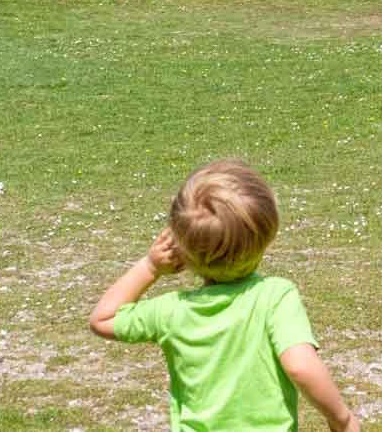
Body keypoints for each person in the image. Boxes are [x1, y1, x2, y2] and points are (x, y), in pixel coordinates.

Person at [89, 160, 361, 432]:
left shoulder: (171, 310)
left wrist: (150, 267)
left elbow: (103, 319)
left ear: (181, 247)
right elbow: (300, 366)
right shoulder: (275, 297)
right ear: (267, 234)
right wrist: (342, 420)